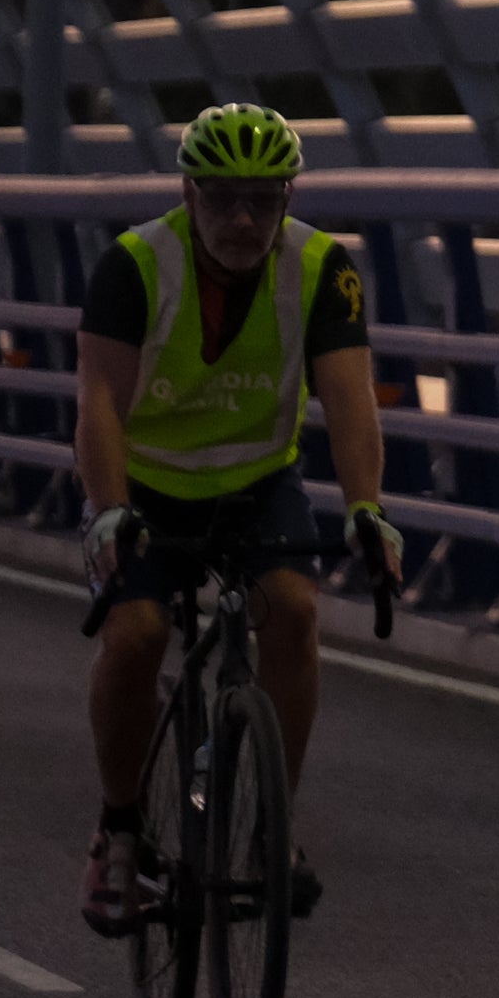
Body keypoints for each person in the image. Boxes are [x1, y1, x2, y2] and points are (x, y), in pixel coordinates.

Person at [75, 104, 404, 937]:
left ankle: (272, 830)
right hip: (145, 488)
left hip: (256, 482)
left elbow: (350, 398)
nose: (242, 219)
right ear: (188, 191)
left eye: (263, 198)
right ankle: (118, 827)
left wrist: (368, 506)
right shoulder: (135, 263)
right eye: (222, 198)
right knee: (138, 634)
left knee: (292, 610)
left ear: (288, 196)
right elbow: (100, 400)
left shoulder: (323, 267)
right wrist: (111, 510)